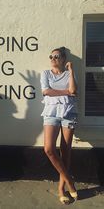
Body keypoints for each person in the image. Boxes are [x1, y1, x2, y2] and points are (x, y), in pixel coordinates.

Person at [40, 46, 78, 204]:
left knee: (65, 150)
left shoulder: (69, 73)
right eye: (51, 57)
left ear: (63, 59)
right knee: (49, 149)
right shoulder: (46, 74)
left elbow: (74, 90)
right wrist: (66, 92)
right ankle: (70, 181)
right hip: (51, 113)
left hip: (69, 113)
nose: (53, 59)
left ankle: (61, 189)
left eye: (56, 57)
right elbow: (46, 91)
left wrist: (71, 71)